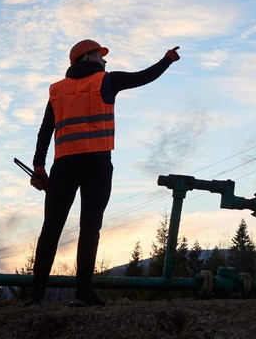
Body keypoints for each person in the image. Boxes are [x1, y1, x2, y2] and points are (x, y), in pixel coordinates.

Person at [28, 39, 180, 306]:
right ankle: (82, 294)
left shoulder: (57, 90)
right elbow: (144, 77)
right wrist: (167, 59)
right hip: (96, 165)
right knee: (90, 228)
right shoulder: (106, 81)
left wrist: (39, 166)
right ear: (88, 57)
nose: (104, 60)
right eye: (100, 55)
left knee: (51, 228)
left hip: (63, 165)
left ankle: (35, 296)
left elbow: (45, 130)